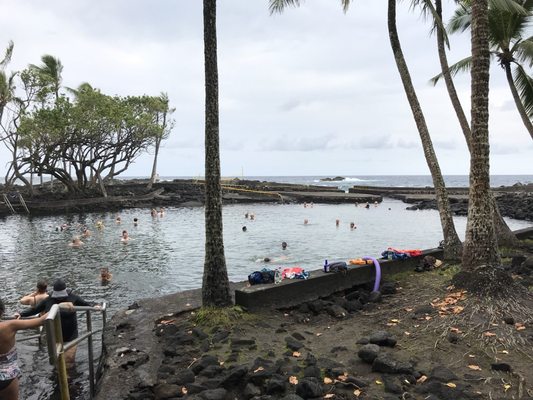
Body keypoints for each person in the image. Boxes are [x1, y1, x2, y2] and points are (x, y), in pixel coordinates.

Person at [18, 279, 98, 365]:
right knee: (58, 361)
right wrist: (21, 314)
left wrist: (95, 306)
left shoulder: (73, 297)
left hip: (71, 336)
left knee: (68, 361)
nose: (60, 298)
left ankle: (69, 376)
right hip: (55, 336)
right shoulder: (48, 300)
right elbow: (34, 310)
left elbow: (86, 304)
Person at [0, 298, 48, 400]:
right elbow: (41, 321)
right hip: (7, 375)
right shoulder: (10, 326)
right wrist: (56, 306)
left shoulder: (10, 325)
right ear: (2, 311)